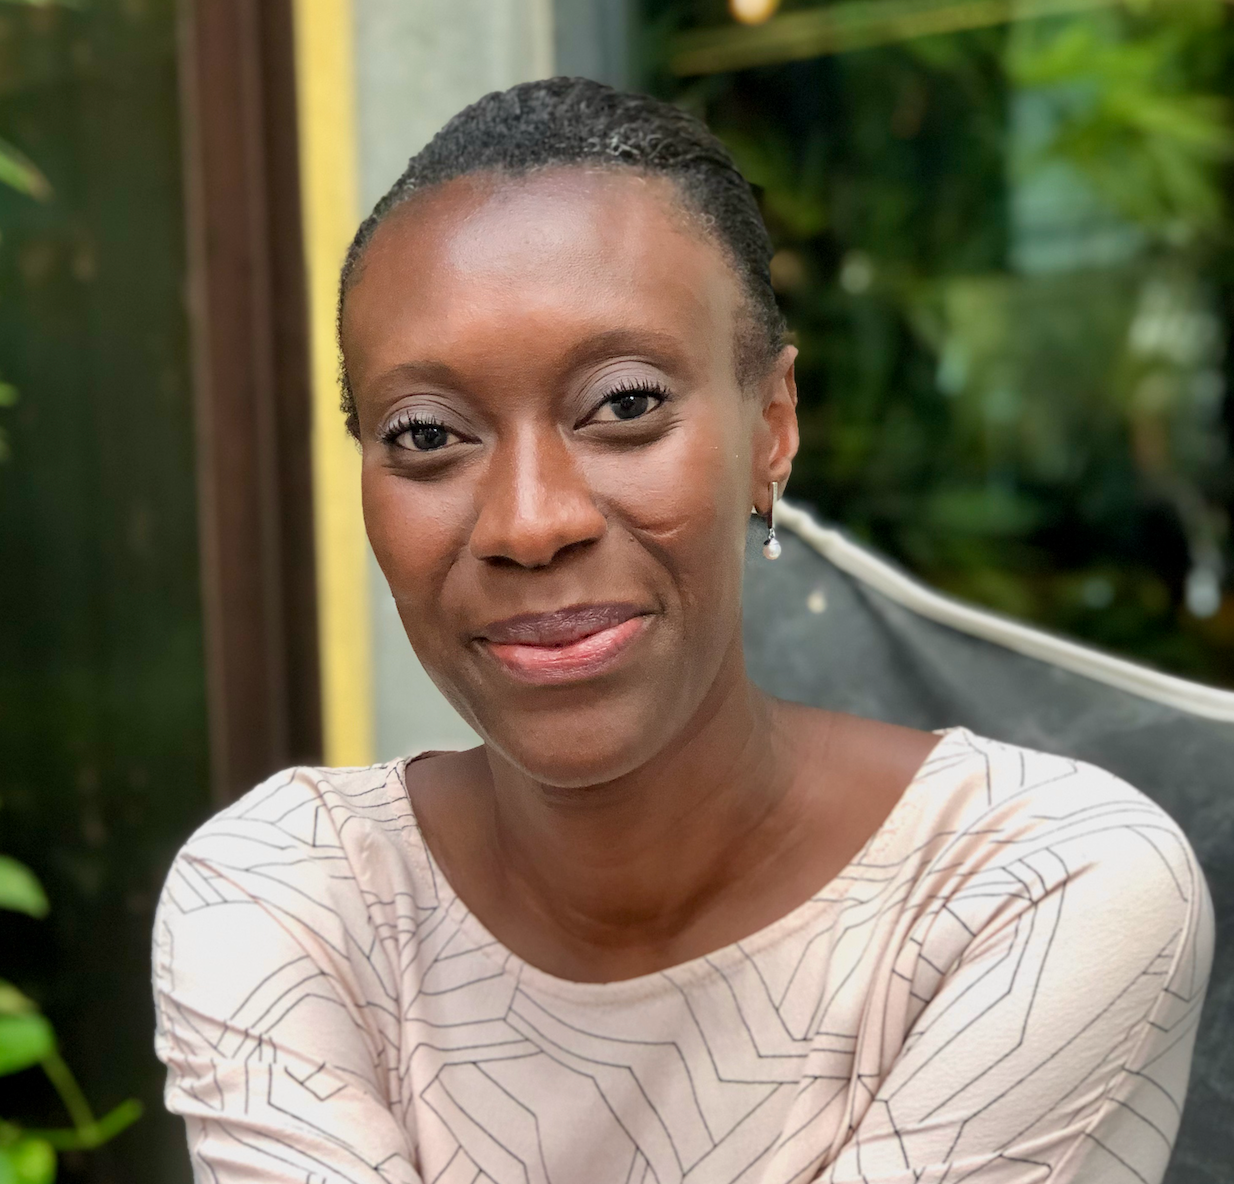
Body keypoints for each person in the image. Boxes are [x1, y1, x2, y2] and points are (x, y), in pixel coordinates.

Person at [153, 79, 1213, 1184]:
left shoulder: (1036, 886)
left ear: (772, 426)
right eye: (426, 433)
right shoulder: (292, 896)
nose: (529, 523)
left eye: (624, 405)